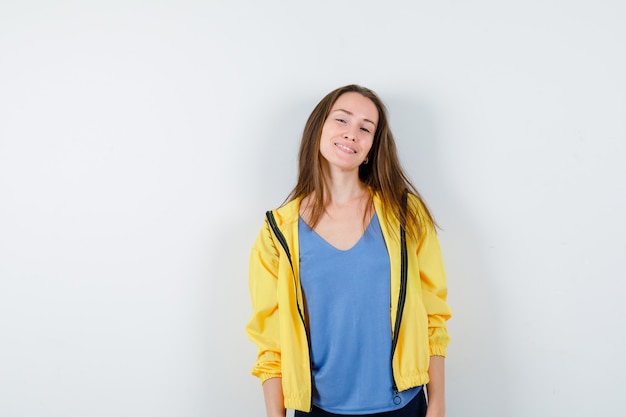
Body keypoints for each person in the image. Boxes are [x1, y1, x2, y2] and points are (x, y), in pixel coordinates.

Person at [246, 85, 452, 417]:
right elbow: (271, 342)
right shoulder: (278, 232)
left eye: (365, 128)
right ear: (319, 130)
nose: (351, 134)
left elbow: (433, 314)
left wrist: (438, 403)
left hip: (404, 406)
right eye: (342, 120)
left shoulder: (405, 214)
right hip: (318, 410)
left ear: (371, 147)